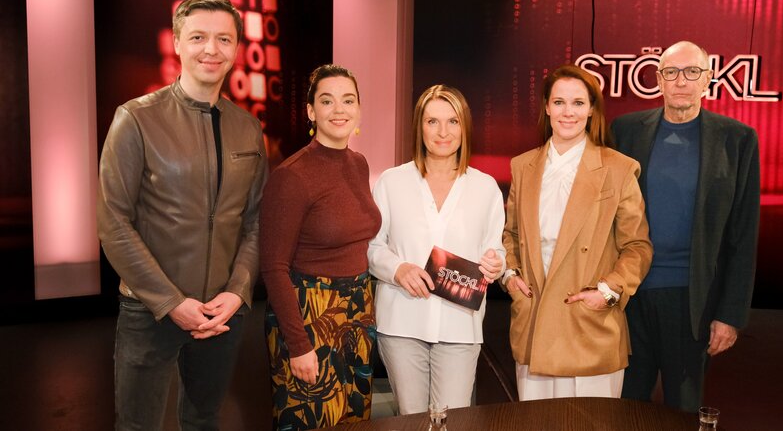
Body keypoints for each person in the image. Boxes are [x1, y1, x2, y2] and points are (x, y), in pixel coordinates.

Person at [97, 0, 266, 430]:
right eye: (198, 37)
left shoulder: (248, 129)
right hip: (149, 308)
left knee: (204, 420)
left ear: (236, 48)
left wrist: (238, 292)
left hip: (222, 312)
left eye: (224, 39)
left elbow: (254, 222)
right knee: (137, 426)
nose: (212, 49)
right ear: (176, 43)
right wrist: (171, 302)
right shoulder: (135, 119)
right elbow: (114, 223)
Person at [612, 41, 760, 411]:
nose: (681, 81)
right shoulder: (625, 131)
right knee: (625, 405)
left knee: (683, 410)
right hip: (629, 294)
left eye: (692, 72)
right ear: (658, 79)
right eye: (672, 72)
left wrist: (729, 315)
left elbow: (743, 235)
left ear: (708, 79)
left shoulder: (737, 139)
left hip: (693, 301)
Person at [502, 65, 652, 400]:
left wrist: (608, 291)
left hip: (587, 323)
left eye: (578, 103)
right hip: (535, 321)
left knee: (589, 421)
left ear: (592, 110)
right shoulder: (522, 166)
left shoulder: (618, 168)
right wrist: (510, 276)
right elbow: (509, 234)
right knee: (535, 423)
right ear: (546, 107)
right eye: (559, 102)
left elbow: (637, 246)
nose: (568, 112)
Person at [367, 85, 506, 414]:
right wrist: (397, 269)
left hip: (461, 326)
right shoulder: (391, 182)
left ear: (465, 126)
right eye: (432, 122)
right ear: (419, 127)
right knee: (412, 420)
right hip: (401, 323)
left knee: (451, 421)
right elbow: (372, 246)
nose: (443, 132)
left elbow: (495, 249)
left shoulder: (485, 187)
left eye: (452, 121)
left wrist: (496, 263)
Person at [260, 64, 381, 429]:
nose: (339, 109)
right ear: (311, 111)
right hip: (310, 315)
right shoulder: (292, 175)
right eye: (327, 101)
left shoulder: (358, 163)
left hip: (357, 313)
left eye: (348, 100)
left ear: (359, 109)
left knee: (354, 420)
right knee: (312, 419)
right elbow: (274, 268)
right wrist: (298, 345)